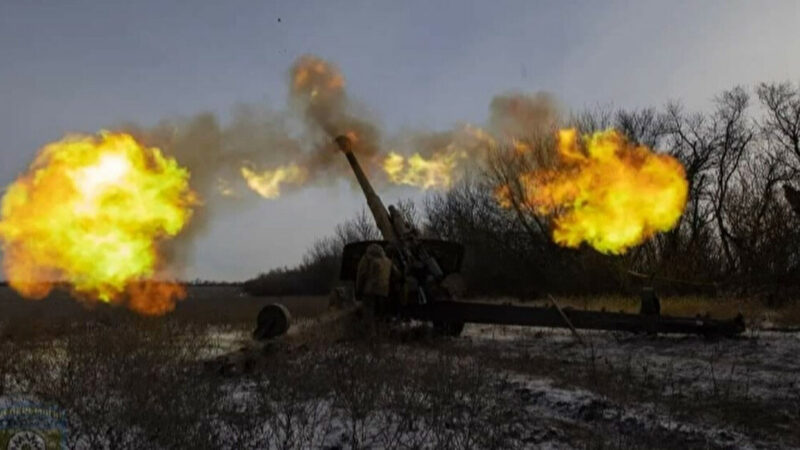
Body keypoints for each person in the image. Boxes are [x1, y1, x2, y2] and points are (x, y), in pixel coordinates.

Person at [355, 244, 393, 334]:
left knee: (369, 315)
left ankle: (371, 337)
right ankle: (382, 334)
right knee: (380, 314)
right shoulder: (388, 261)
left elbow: (361, 275)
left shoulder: (367, 259)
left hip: (370, 291)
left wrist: (358, 290)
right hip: (384, 291)